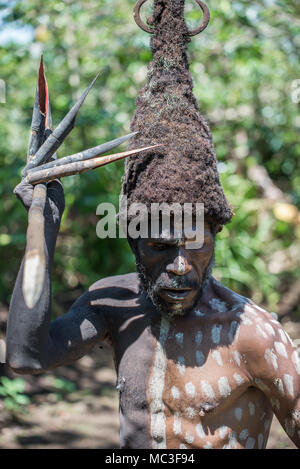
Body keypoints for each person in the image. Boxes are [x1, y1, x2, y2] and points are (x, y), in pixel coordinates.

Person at [6, 0, 300, 450]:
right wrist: (42, 224)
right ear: (133, 241)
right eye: (161, 246)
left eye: (195, 244)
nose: (181, 265)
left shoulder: (253, 335)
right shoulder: (114, 305)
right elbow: (27, 357)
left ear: (215, 233)